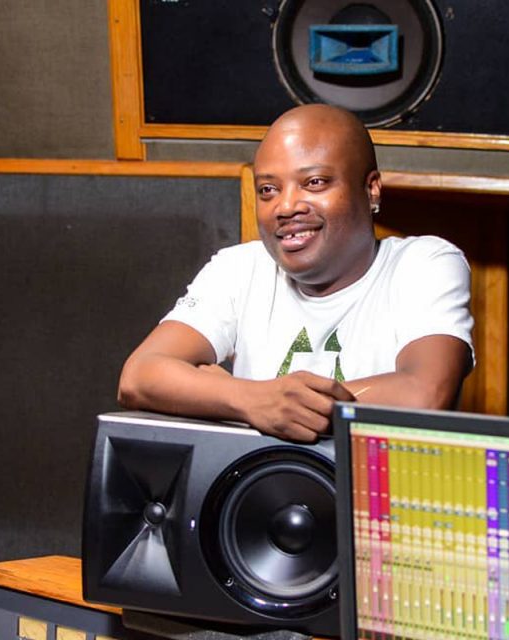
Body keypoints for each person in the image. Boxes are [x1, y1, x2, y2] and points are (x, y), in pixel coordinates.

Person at [118, 104, 474, 442]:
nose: (285, 206)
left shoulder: (423, 263)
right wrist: (253, 399)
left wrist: (221, 392)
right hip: (260, 484)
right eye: (268, 190)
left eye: (315, 182)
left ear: (371, 190)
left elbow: (424, 393)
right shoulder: (238, 267)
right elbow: (139, 376)